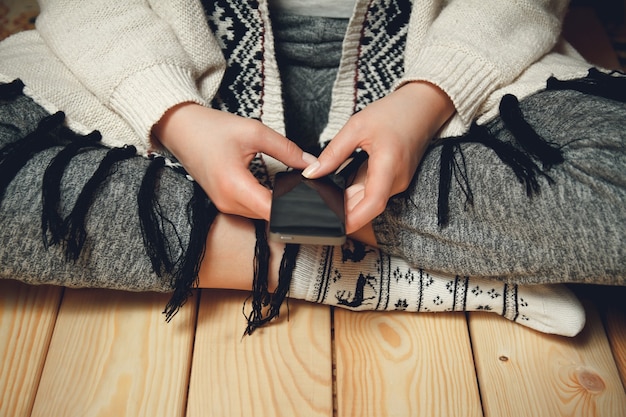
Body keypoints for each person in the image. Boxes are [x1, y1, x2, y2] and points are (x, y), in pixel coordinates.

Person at [0, 0, 624, 337]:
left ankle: (269, 243)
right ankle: (342, 270)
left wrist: (429, 97)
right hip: (161, 60)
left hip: (445, 63)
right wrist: (176, 119)